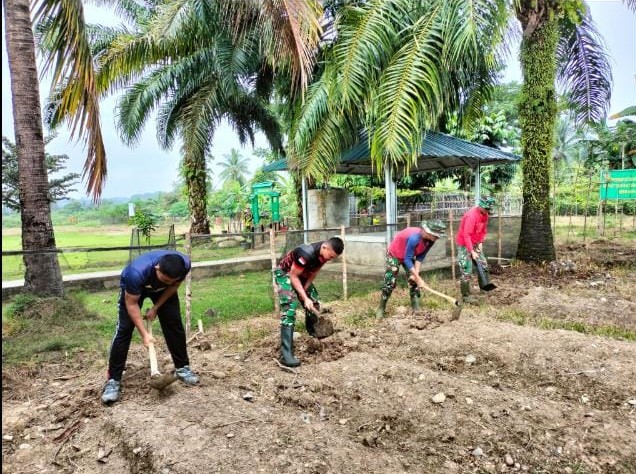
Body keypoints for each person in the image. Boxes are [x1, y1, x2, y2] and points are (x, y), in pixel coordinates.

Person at [101, 250, 199, 405]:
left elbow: (172, 287)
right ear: (157, 268)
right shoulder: (135, 273)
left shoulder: (183, 266)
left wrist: (156, 308)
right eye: (164, 279)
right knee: (124, 330)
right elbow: (132, 304)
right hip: (134, 290)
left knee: (174, 324)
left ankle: (182, 368)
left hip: (162, 294)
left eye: (170, 280)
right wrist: (145, 334)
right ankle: (113, 380)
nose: (167, 282)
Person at [274, 237, 345, 367]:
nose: (330, 259)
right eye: (330, 256)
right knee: (289, 308)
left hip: (303, 274)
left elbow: (314, 272)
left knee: (314, 303)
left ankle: (314, 332)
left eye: (332, 258)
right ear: (325, 247)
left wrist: (306, 292)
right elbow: (293, 276)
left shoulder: (324, 255)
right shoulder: (306, 254)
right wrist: (304, 298)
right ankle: (286, 354)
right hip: (285, 273)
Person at [375, 220, 446, 318]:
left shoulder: (431, 241)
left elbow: (420, 256)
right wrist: (418, 278)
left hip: (408, 255)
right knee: (390, 282)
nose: (437, 237)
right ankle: (381, 308)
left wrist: (416, 275)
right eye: (436, 235)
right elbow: (407, 259)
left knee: (415, 281)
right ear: (429, 232)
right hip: (394, 254)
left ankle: (416, 307)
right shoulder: (414, 238)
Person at [455, 196, 496, 303]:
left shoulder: (485, 215)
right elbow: (466, 235)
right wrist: (471, 251)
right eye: (486, 209)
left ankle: (484, 288)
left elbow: (483, 230)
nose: (488, 211)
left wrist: (480, 242)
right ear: (481, 206)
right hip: (464, 245)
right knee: (466, 270)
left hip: (475, 244)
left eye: (489, 209)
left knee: (483, 265)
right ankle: (466, 296)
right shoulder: (471, 216)